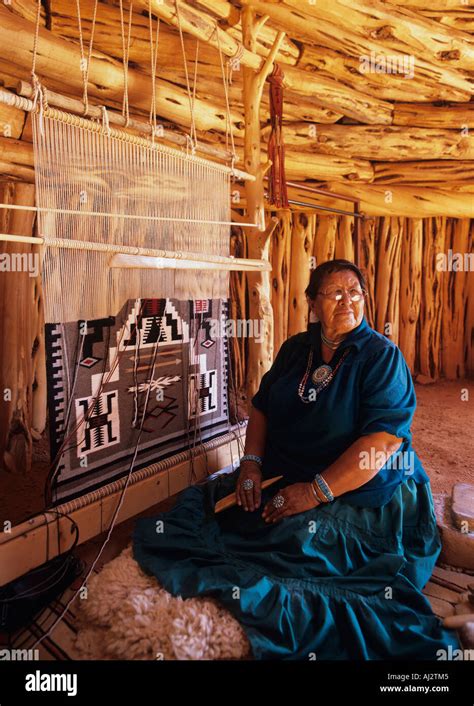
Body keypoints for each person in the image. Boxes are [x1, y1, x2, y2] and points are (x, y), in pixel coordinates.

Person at [133, 259, 460, 659]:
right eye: (335, 292)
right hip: (288, 472)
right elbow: (263, 407)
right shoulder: (296, 350)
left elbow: (381, 443)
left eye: (355, 291)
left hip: (359, 487)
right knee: (232, 513)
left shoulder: (381, 358)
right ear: (312, 303)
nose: (347, 300)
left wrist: (316, 491)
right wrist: (251, 465)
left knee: (300, 544)